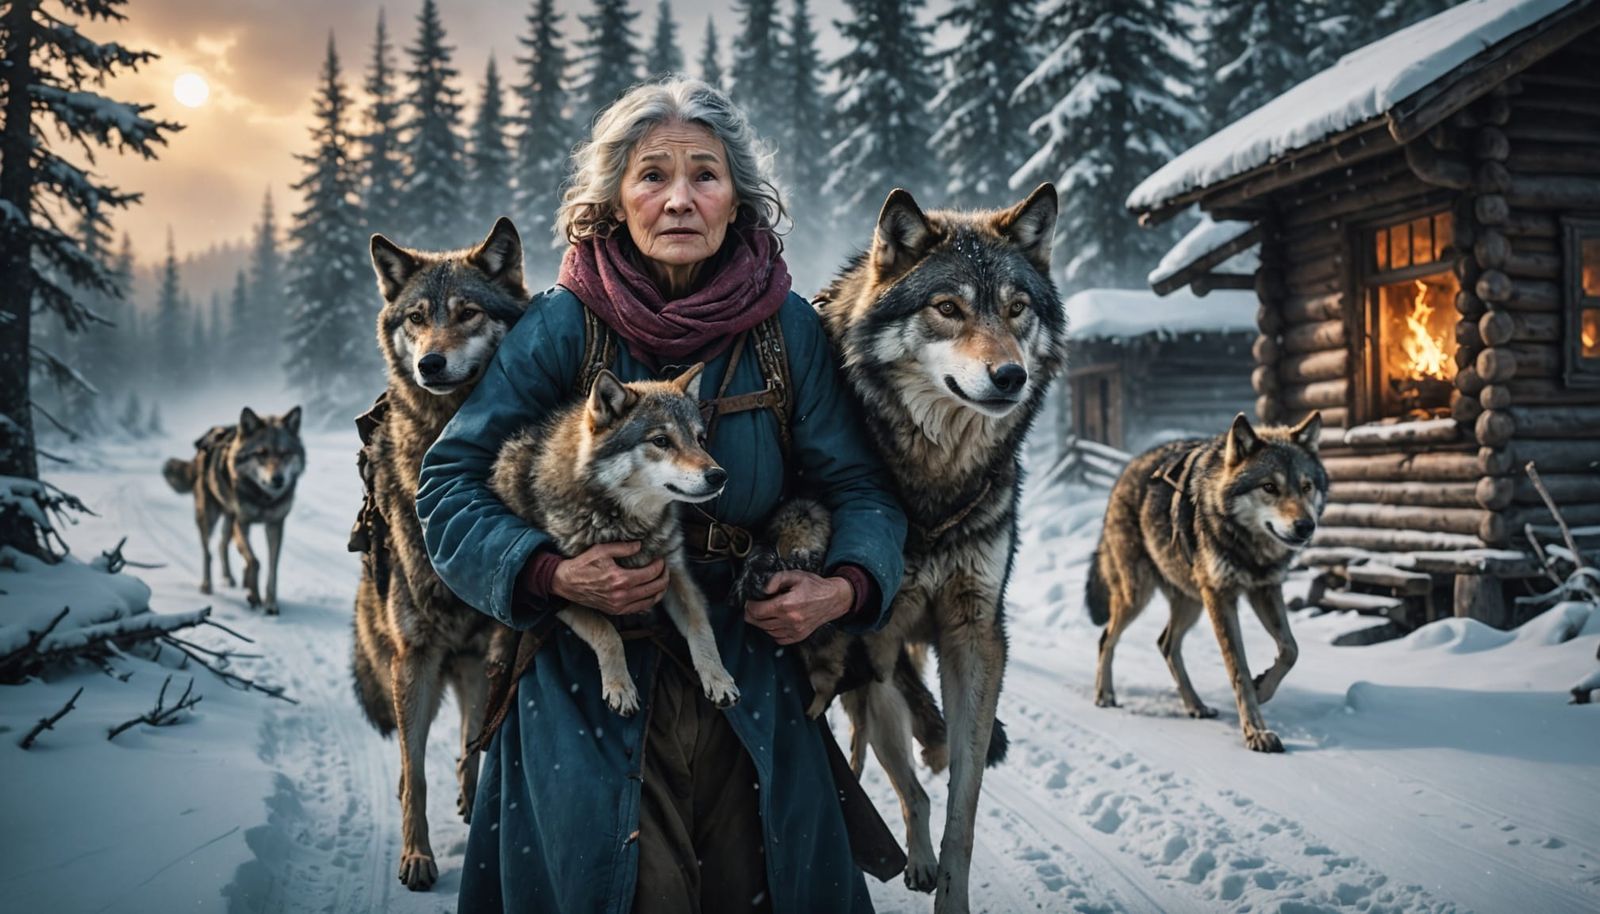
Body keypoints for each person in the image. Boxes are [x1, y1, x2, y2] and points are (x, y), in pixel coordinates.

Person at [417, 78, 908, 914]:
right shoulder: (562, 325)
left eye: (705, 174)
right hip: (583, 670)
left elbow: (862, 487)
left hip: (749, 655)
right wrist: (547, 575)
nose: (679, 198)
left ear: (739, 199)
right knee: (619, 888)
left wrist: (842, 587)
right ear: (614, 199)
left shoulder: (786, 331)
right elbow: (449, 484)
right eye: (652, 175)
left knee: (760, 887)